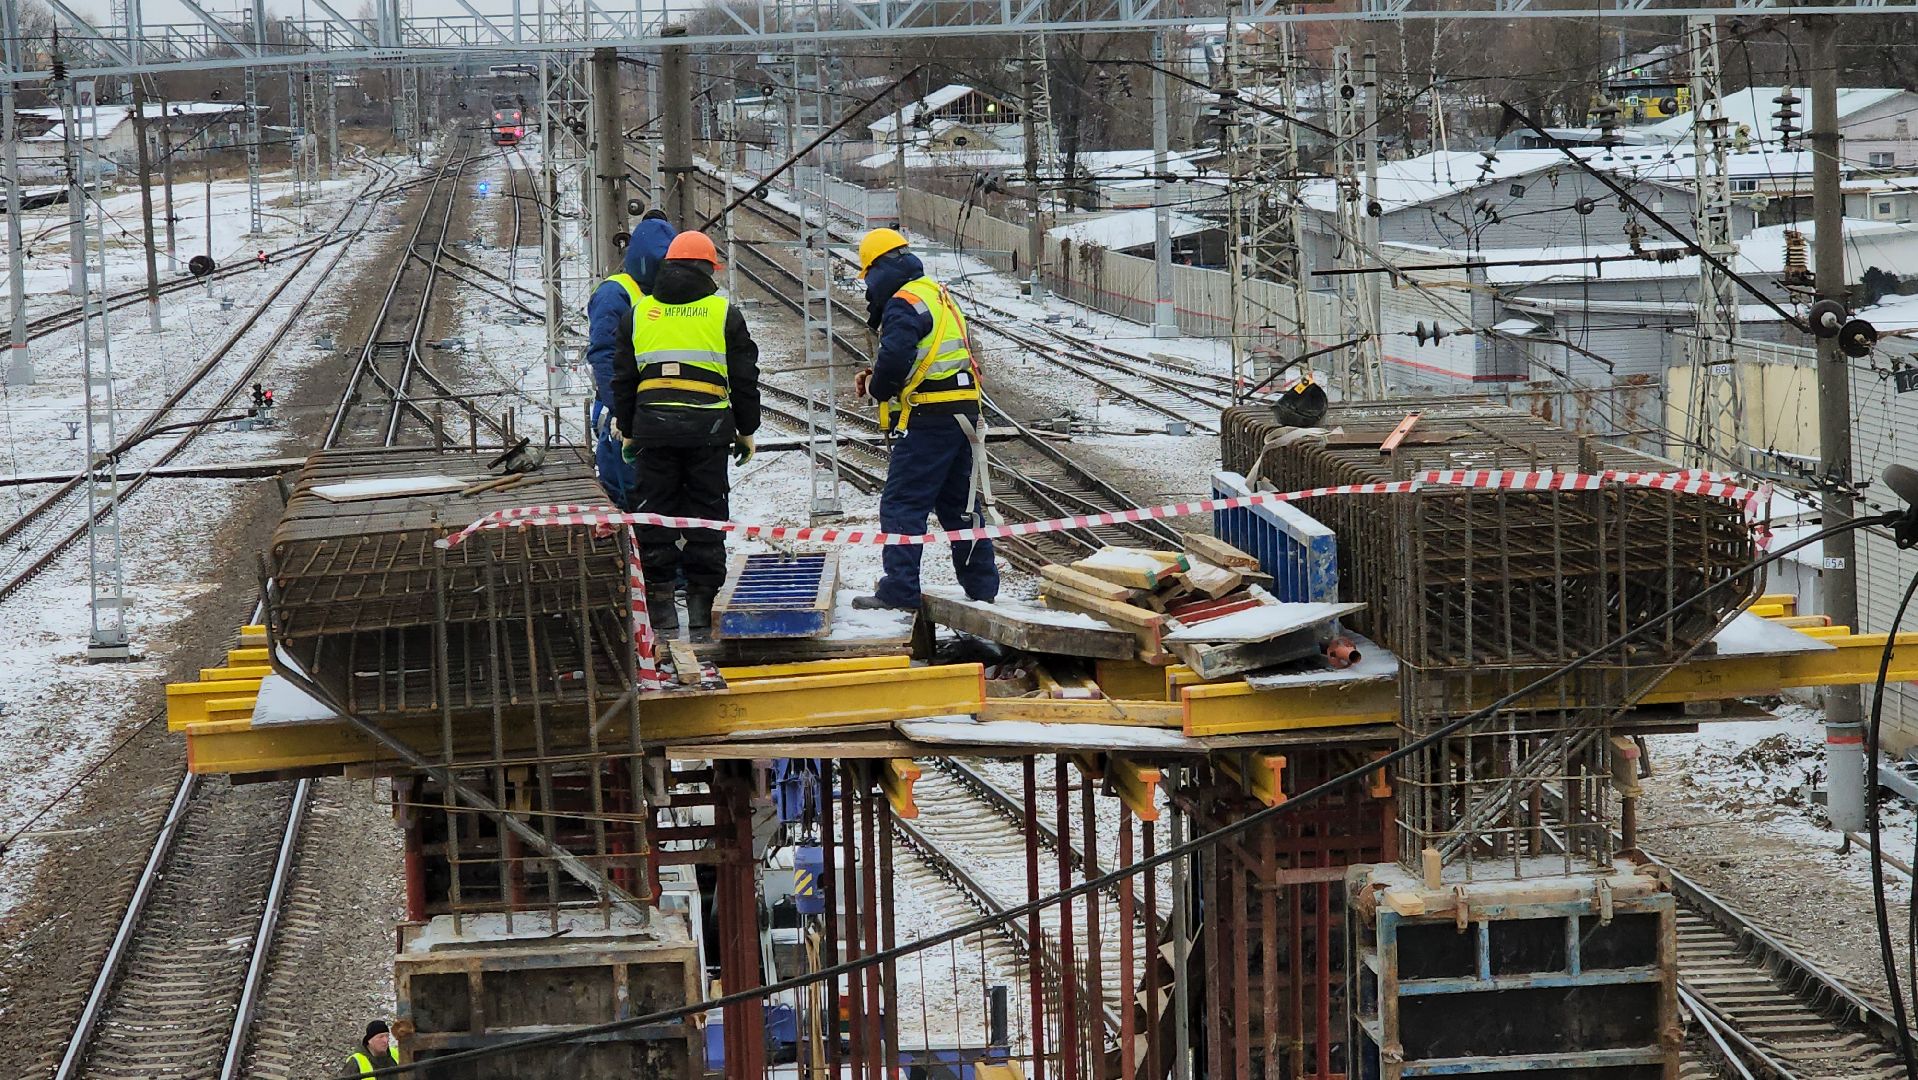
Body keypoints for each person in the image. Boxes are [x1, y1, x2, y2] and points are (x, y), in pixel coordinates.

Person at [611, 230, 761, 638]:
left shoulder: (638, 314)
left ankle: (661, 606)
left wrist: (629, 430)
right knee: (706, 517)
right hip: (707, 432)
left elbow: (623, 380)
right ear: (708, 268)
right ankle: (701, 607)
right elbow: (744, 378)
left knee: (654, 514)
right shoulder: (723, 313)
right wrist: (746, 429)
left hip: (652, 432)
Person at [849, 228, 999, 611]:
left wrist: (879, 387)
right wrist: (881, 376)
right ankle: (982, 588)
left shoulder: (903, 302)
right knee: (960, 505)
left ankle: (900, 591)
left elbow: (896, 356)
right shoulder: (936, 293)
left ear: (878, 269)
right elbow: (928, 357)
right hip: (963, 413)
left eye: (868, 276)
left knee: (902, 503)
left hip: (930, 418)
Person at [586, 210, 679, 511]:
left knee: (659, 495)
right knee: (630, 492)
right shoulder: (617, 293)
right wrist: (621, 411)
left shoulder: (664, 295)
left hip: (657, 409)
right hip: (626, 408)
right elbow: (604, 355)